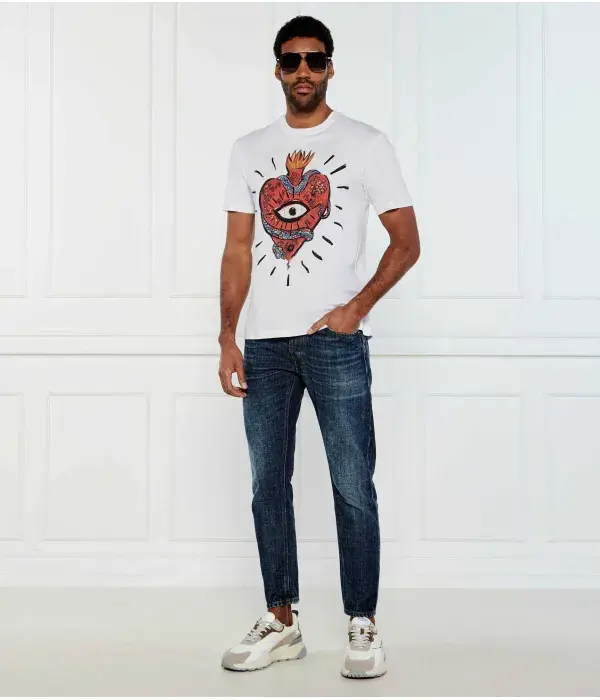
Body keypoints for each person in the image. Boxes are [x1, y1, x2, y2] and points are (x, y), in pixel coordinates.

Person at [218, 14, 420, 679]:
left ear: (330, 66)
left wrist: (355, 309)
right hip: (264, 345)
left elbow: (407, 241)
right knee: (267, 487)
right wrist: (227, 335)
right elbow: (237, 250)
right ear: (277, 69)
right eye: (291, 60)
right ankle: (282, 621)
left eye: (314, 58)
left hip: (334, 344)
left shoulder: (365, 144)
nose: (302, 70)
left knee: (351, 484)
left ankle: (362, 622)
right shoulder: (249, 149)